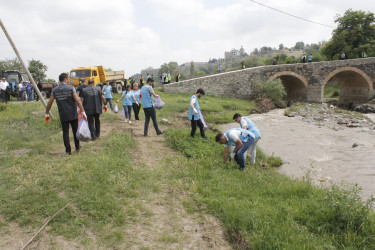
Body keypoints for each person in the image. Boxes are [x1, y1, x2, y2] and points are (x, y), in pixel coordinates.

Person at [45, 73, 86, 155]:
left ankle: (68, 151)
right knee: (75, 131)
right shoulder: (71, 88)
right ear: (65, 79)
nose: (69, 80)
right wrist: (83, 111)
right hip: (73, 113)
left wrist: (47, 113)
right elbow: (77, 100)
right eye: (68, 78)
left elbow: (49, 103)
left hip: (63, 114)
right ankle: (77, 147)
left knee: (65, 132)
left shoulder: (55, 90)